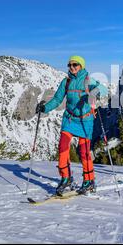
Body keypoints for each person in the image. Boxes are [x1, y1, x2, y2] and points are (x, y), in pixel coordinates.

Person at [35, 55, 107, 196]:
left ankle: (89, 180)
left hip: (85, 120)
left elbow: (103, 89)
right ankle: (65, 177)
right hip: (69, 119)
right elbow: (57, 99)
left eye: (75, 65)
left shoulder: (88, 80)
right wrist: (44, 108)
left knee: (85, 152)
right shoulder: (66, 82)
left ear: (81, 66)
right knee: (62, 146)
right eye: (70, 65)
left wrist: (94, 92)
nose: (72, 67)